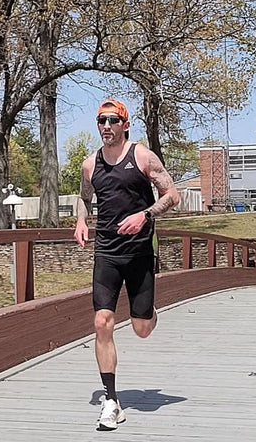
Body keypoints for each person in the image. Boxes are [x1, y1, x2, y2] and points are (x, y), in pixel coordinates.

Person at [74, 99, 180, 431]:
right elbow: (83, 196)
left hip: (139, 253)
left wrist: (144, 214)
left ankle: (147, 311)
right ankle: (111, 400)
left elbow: (172, 195)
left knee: (141, 328)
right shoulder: (90, 164)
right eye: (101, 121)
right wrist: (81, 220)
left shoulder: (143, 157)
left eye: (112, 121)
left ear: (125, 124)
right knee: (102, 322)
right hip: (106, 252)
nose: (106, 126)